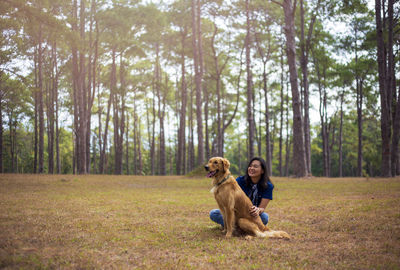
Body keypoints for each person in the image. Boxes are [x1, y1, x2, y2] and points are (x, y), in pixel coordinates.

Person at [209, 157, 274, 227]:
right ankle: (237, 226)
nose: (251, 168)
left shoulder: (268, 186)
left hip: (251, 215)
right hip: (236, 211)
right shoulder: (240, 180)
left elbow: (262, 208)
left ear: (262, 171)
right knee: (214, 213)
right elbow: (230, 203)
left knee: (264, 217)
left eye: (255, 166)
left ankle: (237, 225)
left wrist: (258, 210)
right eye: (250, 166)